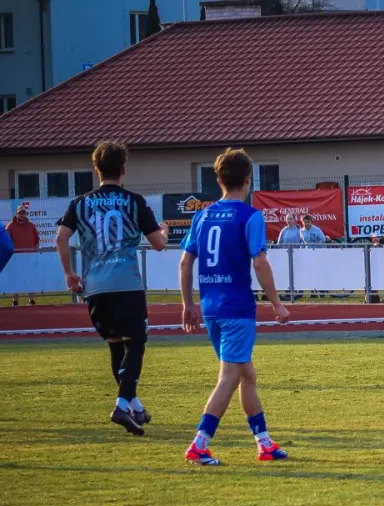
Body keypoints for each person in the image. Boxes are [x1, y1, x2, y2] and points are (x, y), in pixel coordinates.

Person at [179, 148, 291, 466]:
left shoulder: (201, 216)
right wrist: (278, 304)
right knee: (230, 376)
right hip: (237, 308)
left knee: (246, 374)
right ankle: (200, 443)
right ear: (248, 180)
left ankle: (264, 442)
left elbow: (185, 262)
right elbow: (260, 262)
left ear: (218, 180)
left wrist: (188, 304)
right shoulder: (249, 216)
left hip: (211, 308)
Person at [54, 141, 169, 435]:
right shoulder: (134, 201)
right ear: (123, 169)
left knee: (116, 344)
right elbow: (158, 244)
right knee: (136, 343)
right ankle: (121, 405)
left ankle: (135, 407)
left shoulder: (79, 203)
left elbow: (61, 237)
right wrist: (164, 231)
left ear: (96, 169)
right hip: (126, 283)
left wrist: (69, 273)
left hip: (94, 285)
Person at [7, 204, 40, 303]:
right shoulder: (11, 225)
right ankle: (15, 300)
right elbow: (5, 240)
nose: (22, 215)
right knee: (16, 278)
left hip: (29, 257)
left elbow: (37, 239)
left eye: (23, 213)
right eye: (20, 213)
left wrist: (36, 250)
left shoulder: (31, 225)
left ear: (26, 214)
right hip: (15, 257)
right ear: (16, 214)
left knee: (30, 278)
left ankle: (31, 299)